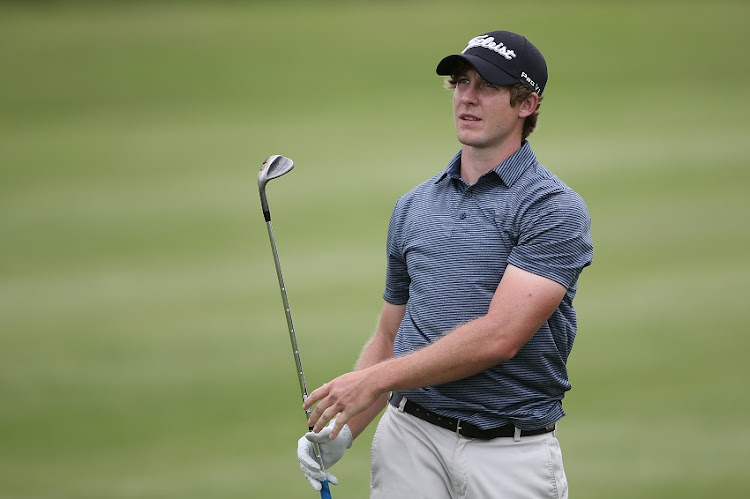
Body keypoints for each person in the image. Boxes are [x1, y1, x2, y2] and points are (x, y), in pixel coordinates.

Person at [296, 29, 593, 498]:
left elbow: (500, 337)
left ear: (527, 104)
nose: (467, 99)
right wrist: (344, 428)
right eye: (460, 83)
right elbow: (391, 335)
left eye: (488, 87)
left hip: (507, 454)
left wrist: (368, 382)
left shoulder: (551, 208)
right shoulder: (414, 206)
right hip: (408, 441)